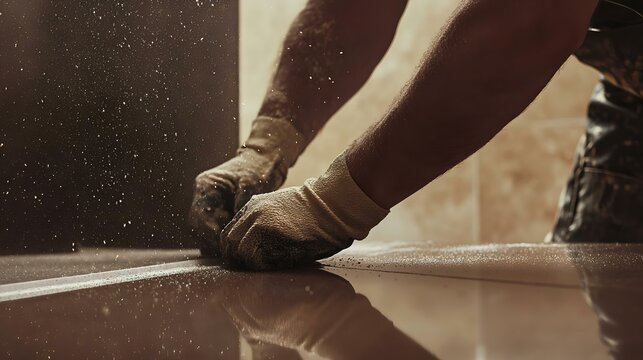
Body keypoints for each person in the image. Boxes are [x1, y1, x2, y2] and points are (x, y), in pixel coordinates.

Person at [189, 0, 643, 270]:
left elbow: (534, 16)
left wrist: (333, 205)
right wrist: (267, 145)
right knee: (599, 299)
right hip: (632, 102)